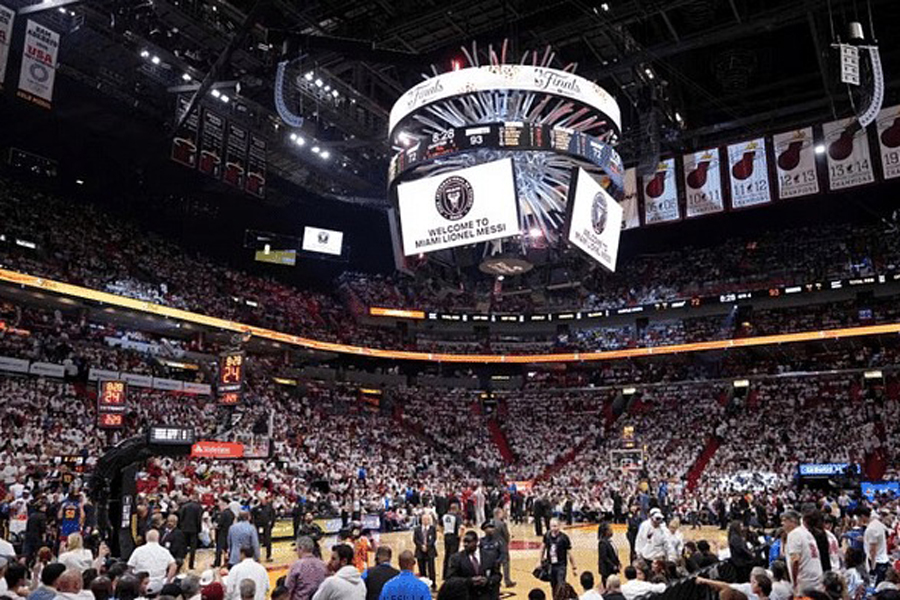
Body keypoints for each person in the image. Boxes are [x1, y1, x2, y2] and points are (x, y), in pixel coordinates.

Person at [447, 531, 498, 600]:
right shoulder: (456, 558)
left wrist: (488, 580)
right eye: (464, 542)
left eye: (468, 542)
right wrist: (469, 581)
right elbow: (451, 579)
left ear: (477, 542)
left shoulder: (490, 556)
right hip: (467, 596)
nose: (465, 544)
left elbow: (497, 575)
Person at [782, 510, 822, 594]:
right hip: (816, 577)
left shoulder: (794, 534)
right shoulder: (807, 533)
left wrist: (794, 582)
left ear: (792, 521)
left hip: (804, 580)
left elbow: (795, 560)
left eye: (784, 520)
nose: (782, 523)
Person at [539, 519, 576, 591]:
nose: (553, 528)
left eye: (555, 526)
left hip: (561, 566)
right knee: (553, 585)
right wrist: (540, 560)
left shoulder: (564, 538)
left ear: (559, 526)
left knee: (561, 585)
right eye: (552, 526)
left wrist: (574, 567)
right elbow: (542, 548)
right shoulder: (547, 535)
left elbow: (569, 553)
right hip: (551, 565)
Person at [859, 506, 890, 584]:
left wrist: (872, 568)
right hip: (882, 559)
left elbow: (873, 550)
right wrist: (864, 539)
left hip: (877, 563)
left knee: (875, 587)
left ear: (862, 516)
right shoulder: (877, 523)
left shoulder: (871, 529)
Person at [477, 522, 504, 600]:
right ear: (484, 530)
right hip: (484, 566)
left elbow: (503, 553)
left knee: (495, 582)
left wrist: (498, 561)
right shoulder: (481, 541)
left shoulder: (499, 541)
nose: (491, 530)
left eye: (492, 527)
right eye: (488, 528)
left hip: (495, 566)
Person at [178, 494, 203, 571]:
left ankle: (181, 563)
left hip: (184, 528)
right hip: (194, 529)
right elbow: (199, 520)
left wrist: (181, 527)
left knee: (183, 546)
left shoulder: (184, 506)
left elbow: (180, 517)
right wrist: (199, 529)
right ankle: (190, 565)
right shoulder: (199, 507)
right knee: (193, 548)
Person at [491, 509, 514, 588]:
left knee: (495, 564)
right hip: (502, 545)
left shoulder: (490, 523)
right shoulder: (502, 524)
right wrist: (506, 542)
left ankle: (496, 581)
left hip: (492, 545)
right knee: (505, 563)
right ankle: (507, 581)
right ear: (498, 514)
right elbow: (506, 535)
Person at [412, 515, 437, 590]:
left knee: (431, 569)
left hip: (430, 551)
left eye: (427, 519)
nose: (425, 521)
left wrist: (427, 546)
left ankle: (433, 584)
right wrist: (421, 546)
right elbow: (415, 539)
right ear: (421, 520)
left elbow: (434, 539)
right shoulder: (417, 529)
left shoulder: (432, 529)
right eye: (424, 519)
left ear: (429, 520)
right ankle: (423, 585)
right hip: (420, 551)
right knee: (422, 569)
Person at [442, 502, 463, 582]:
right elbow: (461, 527)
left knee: (446, 556)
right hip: (454, 537)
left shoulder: (445, 516)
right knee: (453, 556)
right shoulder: (457, 517)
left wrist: (444, 532)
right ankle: (451, 574)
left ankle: (444, 575)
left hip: (446, 537)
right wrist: (460, 536)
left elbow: (439, 526)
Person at [251, 495, 276, 563]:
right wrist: (254, 524)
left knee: (268, 541)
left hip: (267, 527)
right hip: (258, 527)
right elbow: (252, 515)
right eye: (262, 500)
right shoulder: (256, 508)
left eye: (264, 500)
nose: (263, 501)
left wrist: (271, 525)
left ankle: (268, 556)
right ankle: (257, 557)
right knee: (257, 542)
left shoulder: (270, 508)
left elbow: (273, 516)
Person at [214, 498, 235, 568]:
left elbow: (219, 524)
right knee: (227, 549)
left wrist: (215, 526)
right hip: (229, 533)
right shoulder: (231, 513)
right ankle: (228, 562)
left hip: (222, 533)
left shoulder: (223, 514)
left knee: (219, 549)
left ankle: (217, 563)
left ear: (224, 504)